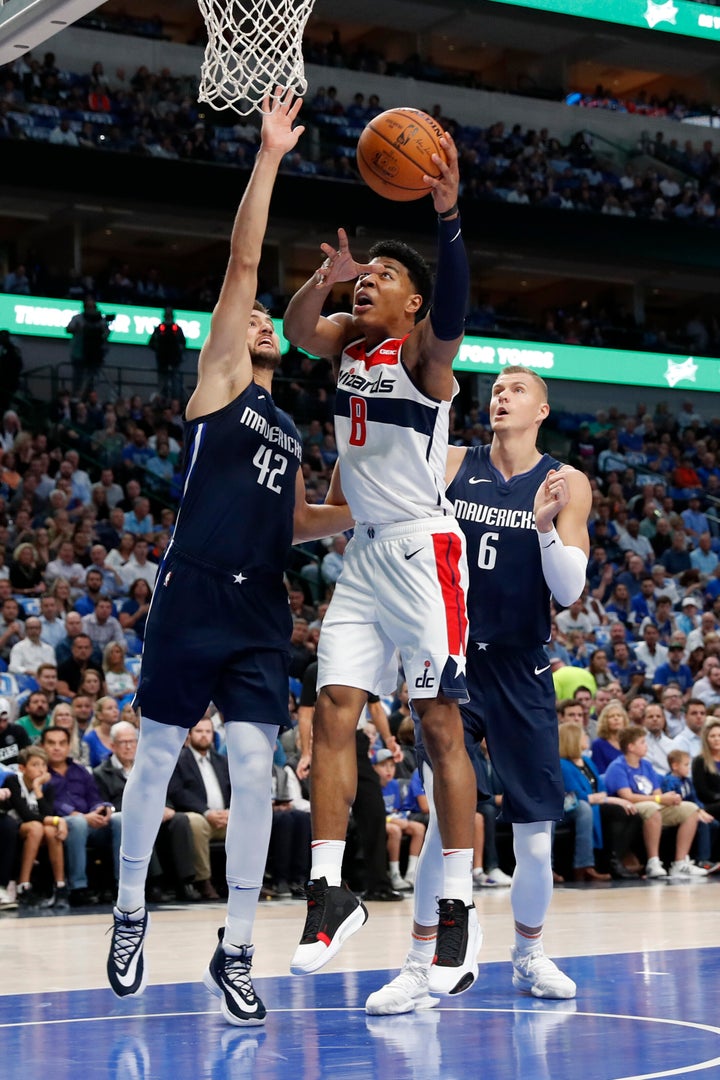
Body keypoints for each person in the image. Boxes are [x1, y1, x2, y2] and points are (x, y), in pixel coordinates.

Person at [106, 93, 352, 1027]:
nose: (256, 324)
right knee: (156, 756)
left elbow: (293, 522)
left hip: (259, 611)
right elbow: (244, 261)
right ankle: (130, 912)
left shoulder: (287, 426)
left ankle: (236, 946)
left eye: (261, 325)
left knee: (257, 774)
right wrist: (270, 156)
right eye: (248, 319)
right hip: (192, 592)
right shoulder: (219, 383)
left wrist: (364, 512)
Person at [285, 121, 480, 995]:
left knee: (438, 728)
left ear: (414, 304)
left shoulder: (425, 360)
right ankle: (331, 891)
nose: (368, 283)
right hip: (364, 553)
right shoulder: (349, 345)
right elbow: (298, 331)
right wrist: (320, 282)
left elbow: (458, 313)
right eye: (364, 276)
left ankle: (459, 911)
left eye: (383, 277)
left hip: (425, 554)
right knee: (333, 709)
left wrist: (447, 220)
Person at [366, 364, 591, 1016]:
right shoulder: (453, 462)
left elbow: (570, 590)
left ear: (542, 410)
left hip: (522, 665)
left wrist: (545, 526)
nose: (501, 396)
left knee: (535, 834)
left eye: (517, 389)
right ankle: (418, 964)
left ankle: (530, 955)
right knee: (444, 820)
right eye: (496, 389)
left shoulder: (564, 481)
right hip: (453, 661)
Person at [94, 721, 201, 903]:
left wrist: (166, 807)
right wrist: (143, 811)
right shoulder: (101, 773)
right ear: (112, 746)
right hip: (123, 822)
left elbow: (162, 790)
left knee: (180, 820)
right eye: (123, 742)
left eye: (132, 741)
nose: (128, 746)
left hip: (153, 813)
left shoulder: (147, 767)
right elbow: (106, 805)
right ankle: (154, 884)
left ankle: (185, 883)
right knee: (139, 824)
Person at [604, 725, 707, 879]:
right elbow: (627, 796)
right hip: (629, 807)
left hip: (652, 804)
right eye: (642, 742)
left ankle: (680, 863)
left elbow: (657, 793)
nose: (646, 745)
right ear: (631, 747)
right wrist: (659, 799)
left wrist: (670, 799)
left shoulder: (646, 765)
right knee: (653, 807)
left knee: (690, 808)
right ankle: (653, 862)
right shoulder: (618, 766)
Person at [558, 722, 639, 881]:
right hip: (573, 807)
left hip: (596, 801)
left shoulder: (587, 760)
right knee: (615, 811)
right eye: (583, 735)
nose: (587, 737)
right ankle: (592, 864)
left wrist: (603, 798)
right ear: (572, 739)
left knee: (633, 814)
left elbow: (601, 788)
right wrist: (600, 798)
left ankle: (615, 858)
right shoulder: (563, 765)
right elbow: (576, 795)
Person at [2, 744, 69, 907]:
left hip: (38, 829)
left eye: (43, 765)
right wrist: (57, 820)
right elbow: (26, 815)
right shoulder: (12, 781)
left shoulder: (47, 786)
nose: (40, 770)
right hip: (14, 828)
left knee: (50, 830)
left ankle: (60, 886)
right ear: (22, 768)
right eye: (35, 765)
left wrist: (38, 789)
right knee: (36, 827)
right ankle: (23, 886)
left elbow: (47, 812)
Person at [149, 308, 186, 402]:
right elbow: (151, 343)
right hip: (162, 361)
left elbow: (183, 343)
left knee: (176, 384)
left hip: (174, 361)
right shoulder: (159, 329)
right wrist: (159, 349)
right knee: (163, 384)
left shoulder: (177, 329)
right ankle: (163, 401)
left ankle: (176, 402)